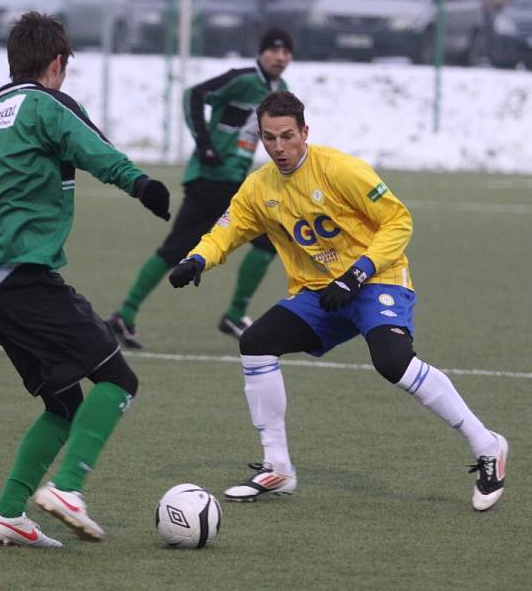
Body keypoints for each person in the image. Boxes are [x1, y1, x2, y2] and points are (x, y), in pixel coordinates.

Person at [169, 91, 508, 511]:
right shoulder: (260, 186)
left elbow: (398, 221)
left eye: (287, 136)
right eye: (269, 138)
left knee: (392, 362)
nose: (278, 147)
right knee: (256, 341)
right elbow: (229, 228)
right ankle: (278, 467)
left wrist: (358, 272)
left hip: (376, 279)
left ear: (305, 132)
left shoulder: (340, 169)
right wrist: (197, 259)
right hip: (321, 293)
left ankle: (487, 444)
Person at [0, 12, 171, 547]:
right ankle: (68, 489)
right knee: (118, 380)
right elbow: (92, 149)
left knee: (64, 404)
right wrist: (142, 186)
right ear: (55, 64)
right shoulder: (46, 105)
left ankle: (7, 513)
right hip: (26, 278)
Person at [106, 28, 294, 348]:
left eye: (286, 51)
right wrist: (205, 143)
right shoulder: (242, 78)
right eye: (274, 50)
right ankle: (232, 314)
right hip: (211, 178)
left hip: (234, 182)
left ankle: (125, 314)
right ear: (261, 53)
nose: (281, 57)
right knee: (266, 238)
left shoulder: (281, 90)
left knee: (181, 248)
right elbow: (193, 94)